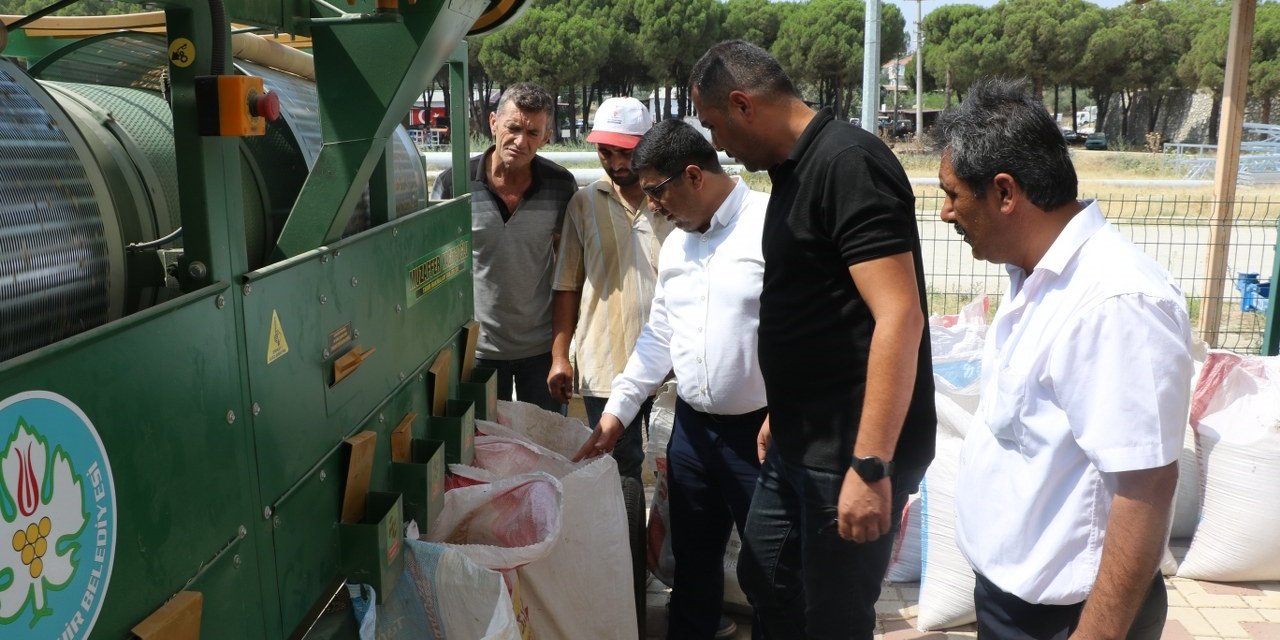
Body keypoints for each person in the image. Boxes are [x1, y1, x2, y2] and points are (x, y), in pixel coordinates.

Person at [689, 40, 937, 639]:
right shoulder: (793, 172)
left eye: (716, 125)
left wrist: (872, 464)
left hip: (849, 451)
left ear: (744, 104)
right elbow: (818, 307)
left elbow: (899, 315)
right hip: (801, 437)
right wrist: (783, 406)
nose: (717, 143)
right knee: (765, 573)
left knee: (834, 615)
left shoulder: (848, 162)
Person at [934, 78, 1192, 640]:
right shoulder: (1033, 274)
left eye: (953, 193)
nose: (945, 212)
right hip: (1014, 601)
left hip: (1072, 619)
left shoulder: (1115, 301)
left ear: (1005, 194)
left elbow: (1145, 487)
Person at [573, 119, 769, 640]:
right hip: (693, 434)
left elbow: (807, 333)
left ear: (693, 176)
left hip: (762, 436)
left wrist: (787, 410)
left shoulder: (769, 227)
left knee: (772, 569)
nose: (651, 205)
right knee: (693, 561)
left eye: (655, 191)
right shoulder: (680, 245)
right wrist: (618, 411)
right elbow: (658, 338)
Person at [431, 83, 576, 412]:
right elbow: (436, 271)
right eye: (513, 128)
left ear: (547, 136)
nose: (521, 141)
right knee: (478, 451)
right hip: (475, 351)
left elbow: (567, 271)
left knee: (543, 445)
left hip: (540, 352)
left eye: (533, 133)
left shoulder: (560, 185)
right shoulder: (454, 184)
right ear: (493, 122)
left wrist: (560, 354)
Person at [548, 96, 671, 482]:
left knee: (676, 468)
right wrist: (559, 357)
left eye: (626, 152)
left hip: (674, 366)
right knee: (619, 467)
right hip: (607, 364)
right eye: (605, 152)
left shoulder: (675, 198)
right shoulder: (584, 204)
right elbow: (566, 284)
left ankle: (666, 544)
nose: (617, 163)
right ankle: (629, 543)